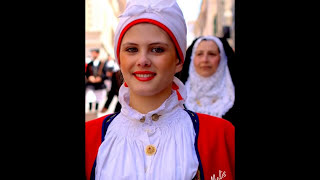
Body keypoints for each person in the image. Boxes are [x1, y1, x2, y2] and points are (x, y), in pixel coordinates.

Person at [85, 0, 234, 179]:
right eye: (132, 49)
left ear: (179, 61)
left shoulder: (221, 134)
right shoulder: (89, 137)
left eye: (157, 49)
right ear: (119, 59)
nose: (142, 60)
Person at [176, 35, 237, 125]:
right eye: (199, 54)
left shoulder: (230, 97)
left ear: (222, 58)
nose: (205, 60)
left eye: (212, 54)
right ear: (192, 58)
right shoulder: (175, 96)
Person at [85, 48, 107, 113]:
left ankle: (96, 109)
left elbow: (105, 73)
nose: (93, 54)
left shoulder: (102, 64)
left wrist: (100, 78)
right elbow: (87, 73)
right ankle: (90, 108)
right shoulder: (90, 64)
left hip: (99, 84)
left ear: (97, 54)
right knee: (90, 96)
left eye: (94, 53)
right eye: (92, 53)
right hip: (91, 83)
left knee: (98, 96)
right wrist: (89, 77)